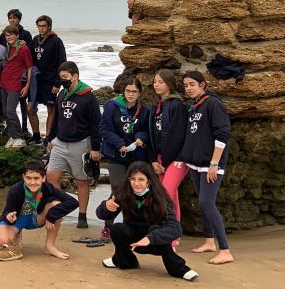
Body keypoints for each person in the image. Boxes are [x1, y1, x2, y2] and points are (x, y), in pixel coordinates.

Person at [97, 161, 199, 281]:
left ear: (149, 181)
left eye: (141, 179)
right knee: (117, 228)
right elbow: (102, 215)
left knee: (157, 230)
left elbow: (176, 229)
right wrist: (106, 206)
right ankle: (125, 260)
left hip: (155, 242)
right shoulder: (123, 191)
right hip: (134, 241)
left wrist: (150, 238)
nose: (136, 183)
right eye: (133, 179)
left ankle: (179, 268)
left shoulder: (160, 196)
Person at [178, 70, 234, 265]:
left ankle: (225, 250)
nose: (188, 88)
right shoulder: (194, 106)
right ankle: (209, 242)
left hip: (211, 164)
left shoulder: (213, 103)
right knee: (202, 204)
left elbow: (223, 134)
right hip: (196, 163)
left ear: (202, 84)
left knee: (207, 203)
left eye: (192, 84)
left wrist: (214, 163)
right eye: (185, 85)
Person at [0, 159, 77, 262]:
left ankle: (49, 247)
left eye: (36, 178)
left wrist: (52, 216)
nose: (32, 182)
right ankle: (14, 241)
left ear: (44, 178)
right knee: (2, 240)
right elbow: (7, 211)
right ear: (23, 177)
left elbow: (73, 202)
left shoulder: (48, 188)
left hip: (37, 218)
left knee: (56, 205)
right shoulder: (15, 190)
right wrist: (9, 216)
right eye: (28, 178)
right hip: (18, 220)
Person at [45, 61, 101, 229]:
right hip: (60, 143)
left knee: (81, 181)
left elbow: (95, 124)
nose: (63, 81)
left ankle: (82, 215)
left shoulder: (88, 97)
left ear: (75, 76)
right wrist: (50, 138)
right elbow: (56, 118)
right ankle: (59, 207)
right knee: (51, 177)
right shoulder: (62, 94)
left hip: (80, 144)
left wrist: (96, 148)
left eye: (66, 77)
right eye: (60, 78)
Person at [99, 76, 148, 241]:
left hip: (136, 156)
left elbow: (145, 129)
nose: (131, 94)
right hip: (116, 154)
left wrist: (141, 138)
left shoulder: (143, 110)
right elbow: (104, 129)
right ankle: (108, 225)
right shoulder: (112, 106)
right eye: (128, 91)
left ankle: (130, 226)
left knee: (136, 190)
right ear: (123, 91)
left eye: (135, 91)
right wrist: (119, 143)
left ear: (140, 93)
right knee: (119, 191)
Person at [147, 69, 188, 228]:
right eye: (155, 81)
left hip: (176, 159)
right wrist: (152, 160)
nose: (156, 85)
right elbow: (151, 135)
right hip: (159, 158)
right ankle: (173, 232)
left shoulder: (177, 105)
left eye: (160, 82)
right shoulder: (155, 106)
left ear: (169, 84)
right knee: (171, 196)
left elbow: (179, 137)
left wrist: (166, 160)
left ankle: (169, 233)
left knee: (166, 194)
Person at [30, 15, 67, 139]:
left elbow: (62, 63)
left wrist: (58, 83)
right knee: (30, 108)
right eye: (39, 26)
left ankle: (48, 138)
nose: (41, 28)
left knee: (51, 110)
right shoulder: (35, 39)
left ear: (49, 26)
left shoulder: (56, 41)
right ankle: (35, 136)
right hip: (36, 80)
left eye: (43, 26)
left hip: (50, 81)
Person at [0, 25, 33, 148]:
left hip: (15, 83)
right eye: (7, 35)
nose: (9, 37)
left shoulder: (23, 49)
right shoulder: (7, 48)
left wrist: (27, 86)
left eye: (11, 35)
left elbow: (30, 67)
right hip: (3, 82)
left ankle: (19, 137)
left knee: (10, 111)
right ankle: (12, 136)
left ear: (17, 35)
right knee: (5, 112)